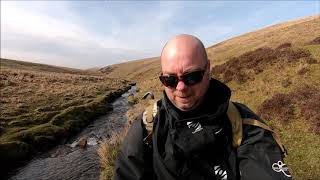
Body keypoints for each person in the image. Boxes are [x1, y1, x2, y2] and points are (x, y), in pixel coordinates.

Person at [115, 34, 292, 180]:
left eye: (192, 77)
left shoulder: (244, 125)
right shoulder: (146, 128)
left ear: (208, 69)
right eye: (170, 79)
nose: (181, 88)